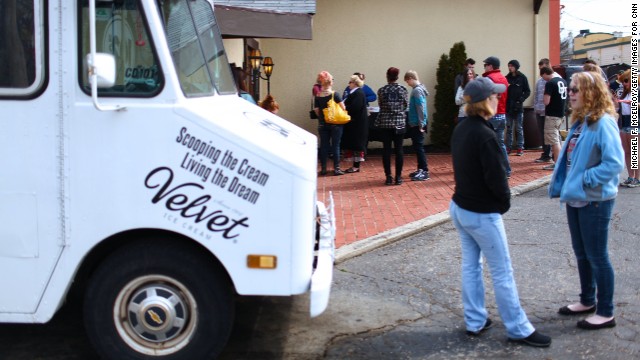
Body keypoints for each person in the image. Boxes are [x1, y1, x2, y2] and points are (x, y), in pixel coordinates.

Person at [450, 77, 552, 348]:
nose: (498, 98)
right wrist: (502, 205)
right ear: (485, 102)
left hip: (460, 207)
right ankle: (518, 327)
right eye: (494, 96)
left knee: (471, 266)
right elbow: (498, 182)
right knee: (502, 271)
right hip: (481, 213)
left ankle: (475, 320)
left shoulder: (461, 129)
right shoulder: (486, 136)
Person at [549, 71, 624, 330]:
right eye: (570, 89)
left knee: (597, 256)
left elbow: (614, 164)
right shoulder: (582, 122)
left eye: (576, 89)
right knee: (582, 254)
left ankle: (606, 312)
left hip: (594, 200)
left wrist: (583, 180)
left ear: (591, 93)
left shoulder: (603, 122)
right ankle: (587, 300)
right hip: (576, 198)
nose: (570, 93)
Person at [376, 67, 408, 185]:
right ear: (397, 76)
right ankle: (398, 177)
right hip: (399, 122)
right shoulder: (403, 89)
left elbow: (380, 105)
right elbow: (405, 105)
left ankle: (388, 177)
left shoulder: (382, 90)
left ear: (387, 76)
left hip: (385, 123)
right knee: (399, 149)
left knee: (386, 150)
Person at [482, 56, 511, 177]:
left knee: (487, 145)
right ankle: (506, 170)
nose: (484, 67)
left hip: (491, 115)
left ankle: (491, 171)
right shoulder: (503, 78)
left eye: (486, 65)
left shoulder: (489, 79)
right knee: (500, 144)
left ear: (490, 66)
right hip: (502, 115)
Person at [314, 71, 346, 176]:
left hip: (323, 123)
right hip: (335, 124)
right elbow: (343, 107)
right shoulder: (335, 94)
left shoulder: (318, 95)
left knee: (324, 146)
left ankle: (323, 168)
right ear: (330, 82)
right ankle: (336, 168)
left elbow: (316, 110)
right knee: (336, 146)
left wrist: (323, 118)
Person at [404, 70, 430, 181]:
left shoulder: (417, 91)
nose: (407, 83)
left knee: (419, 147)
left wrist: (421, 124)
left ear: (410, 78)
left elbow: (421, 107)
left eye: (407, 81)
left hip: (417, 123)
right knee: (417, 146)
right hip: (416, 122)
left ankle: (424, 170)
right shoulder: (418, 90)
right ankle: (420, 169)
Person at [540, 66, 567, 170]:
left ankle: (557, 163)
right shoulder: (562, 81)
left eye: (543, 76)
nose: (543, 79)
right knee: (557, 138)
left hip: (552, 114)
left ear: (545, 73)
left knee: (554, 140)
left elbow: (546, 101)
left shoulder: (550, 83)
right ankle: (558, 162)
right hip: (561, 113)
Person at [616, 69, 639, 187]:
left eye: (626, 81)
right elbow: (619, 108)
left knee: (635, 152)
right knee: (627, 152)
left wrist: (634, 104)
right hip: (623, 122)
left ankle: (637, 177)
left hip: (635, 123)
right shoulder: (624, 93)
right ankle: (630, 176)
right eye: (622, 81)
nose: (624, 84)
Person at [342, 75, 369, 173]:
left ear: (354, 83)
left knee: (357, 145)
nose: (349, 84)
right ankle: (355, 165)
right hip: (355, 123)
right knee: (355, 144)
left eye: (350, 82)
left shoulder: (358, 93)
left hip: (357, 124)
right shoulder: (356, 93)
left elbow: (355, 107)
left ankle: (356, 166)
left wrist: (344, 107)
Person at [505, 59, 531, 156]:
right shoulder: (506, 78)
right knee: (509, 128)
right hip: (508, 107)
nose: (510, 68)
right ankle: (509, 147)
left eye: (511, 66)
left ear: (516, 67)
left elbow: (527, 91)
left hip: (518, 107)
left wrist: (520, 100)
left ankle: (520, 147)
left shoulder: (522, 78)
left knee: (519, 128)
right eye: (509, 66)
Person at [534, 58, 553, 163]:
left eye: (542, 69)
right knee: (542, 134)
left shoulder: (554, 79)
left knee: (551, 134)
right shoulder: (539, 81)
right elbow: (536, 95)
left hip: (549, 112)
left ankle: (552, 155)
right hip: (539, 111)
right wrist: (536, 107)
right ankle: (545, 154)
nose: (541, 72)